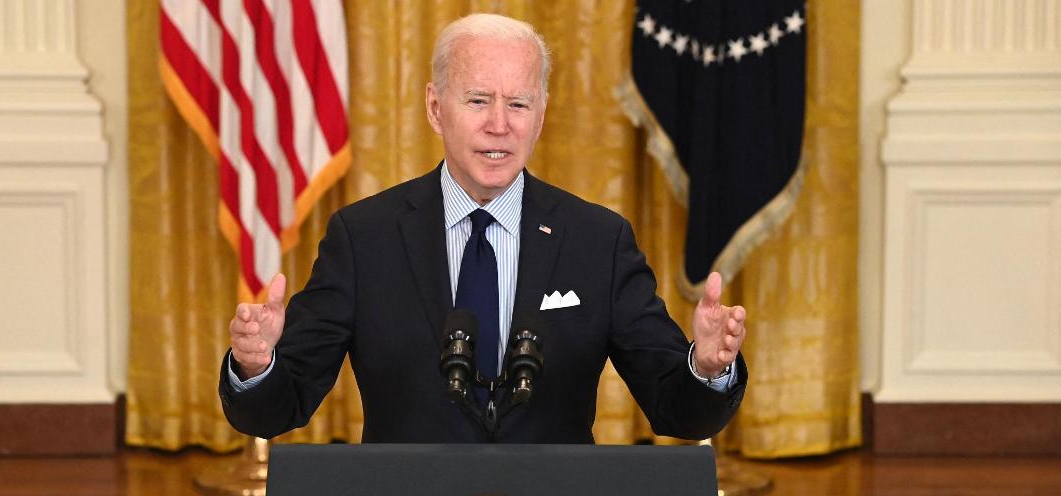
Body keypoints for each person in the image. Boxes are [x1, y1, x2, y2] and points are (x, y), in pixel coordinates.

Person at [219, 13, 747, 444]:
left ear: (540, 115)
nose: (500, 124)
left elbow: (676, 410)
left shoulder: (597, 242)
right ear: (435, 107)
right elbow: (279, 408)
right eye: (478, 100)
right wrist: (257, 365)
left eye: (519, 103)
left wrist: (704, 366)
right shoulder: (365, 239)